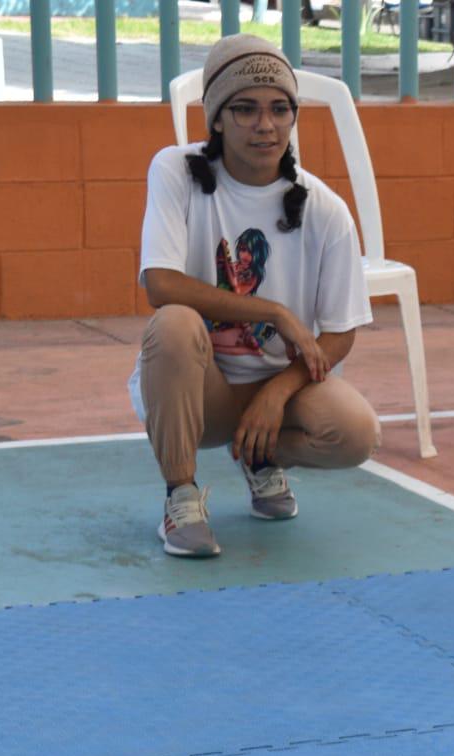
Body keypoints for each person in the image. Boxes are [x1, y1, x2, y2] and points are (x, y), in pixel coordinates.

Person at [131, 34, 381, 558]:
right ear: (217, 118)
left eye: (279, 110)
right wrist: (274, 313)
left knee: (356, 432)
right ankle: (181, 496)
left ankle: (259, 457)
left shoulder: (325, 209)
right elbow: (160, 284)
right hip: (200, 393)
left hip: (279, 390)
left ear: (293, 118)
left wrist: (277, 392)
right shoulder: (175, 171)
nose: (264, 125)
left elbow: (339, 332)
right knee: (175, 322)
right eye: (244, 109)